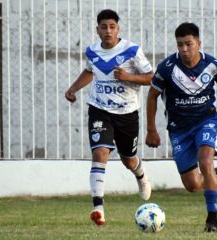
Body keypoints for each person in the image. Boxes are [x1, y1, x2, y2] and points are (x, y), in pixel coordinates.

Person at [145, 22, 217, 232]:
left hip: (206, 120)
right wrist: (151, 129)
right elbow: (152, 95)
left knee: (205, 160)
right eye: (180, 45)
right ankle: (216, 178)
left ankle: (212, 219)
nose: (184, 49)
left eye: (188, 44)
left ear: (198, 43)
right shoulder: (166, 67)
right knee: (192, 185)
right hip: (178, 128)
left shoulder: (213, 65)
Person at [65, 9, 153, 226]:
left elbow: (151, 77)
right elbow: (90, 71)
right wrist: (73, 88)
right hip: (99, 109)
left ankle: (141, 175)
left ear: (118, 29)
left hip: (127, 113)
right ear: (97, 29)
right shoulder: (92, 51)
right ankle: (98, 208)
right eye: (103, 27)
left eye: (112, 26)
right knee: (100, 153)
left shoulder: (132, 50)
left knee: (128, 159)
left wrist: (128, 76)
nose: (108, 31)